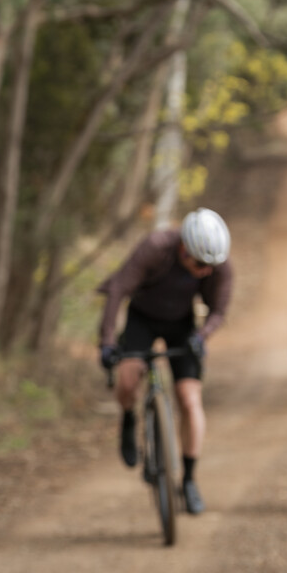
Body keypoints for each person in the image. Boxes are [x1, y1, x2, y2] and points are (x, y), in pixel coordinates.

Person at [98, 209, 234, 515]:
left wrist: (201, 337)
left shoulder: (218, 264)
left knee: (189, 398)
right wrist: (107, 342)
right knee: (128, 380)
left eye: (210, 266)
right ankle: (129, 419)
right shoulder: (156, 247)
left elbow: (219, 311)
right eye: (199, 264)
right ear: (183, 248)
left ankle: (188, 478)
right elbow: (118, 289)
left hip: (182, 325)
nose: (204, 271)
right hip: (142, 318)